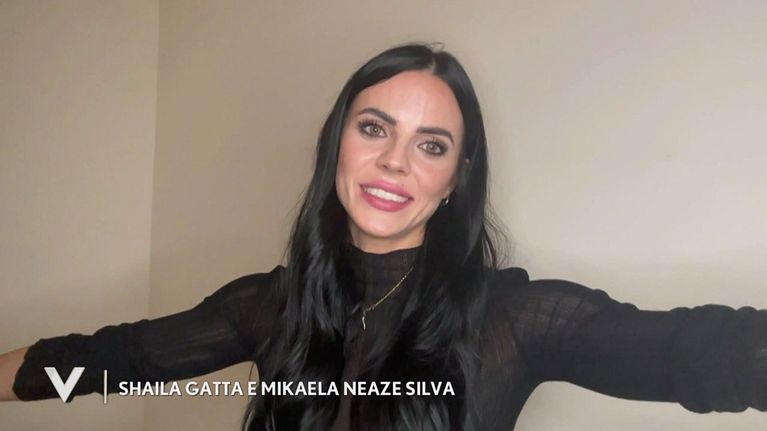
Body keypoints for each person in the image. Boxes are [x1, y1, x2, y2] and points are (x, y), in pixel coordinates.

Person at [2, 43, 767, 430]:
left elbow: (694, 351)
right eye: (374, 128)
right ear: (337, 143)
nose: (395, 161)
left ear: (454, 177)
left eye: (431, 145)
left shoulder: (514, 317)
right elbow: (114, 359)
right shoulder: (268, 305)